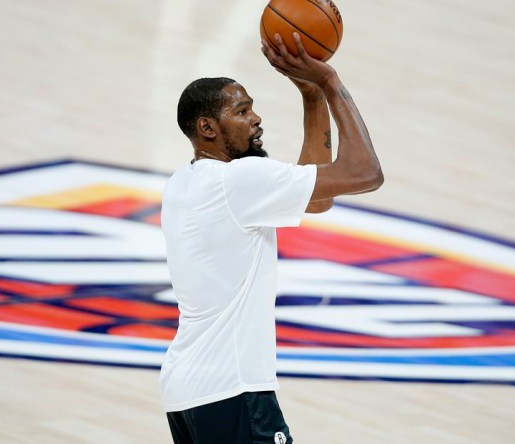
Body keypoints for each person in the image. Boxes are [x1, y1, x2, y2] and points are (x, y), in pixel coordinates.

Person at [159, 32, 383, 444]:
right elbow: (366, 172)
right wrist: (330, 81)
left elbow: (318, 202)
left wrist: (312, 98)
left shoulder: (184, 182)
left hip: (185, 392)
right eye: (241, 111)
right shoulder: (238, 182)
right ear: (207, 127)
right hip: (233, 390)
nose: (256, 119)